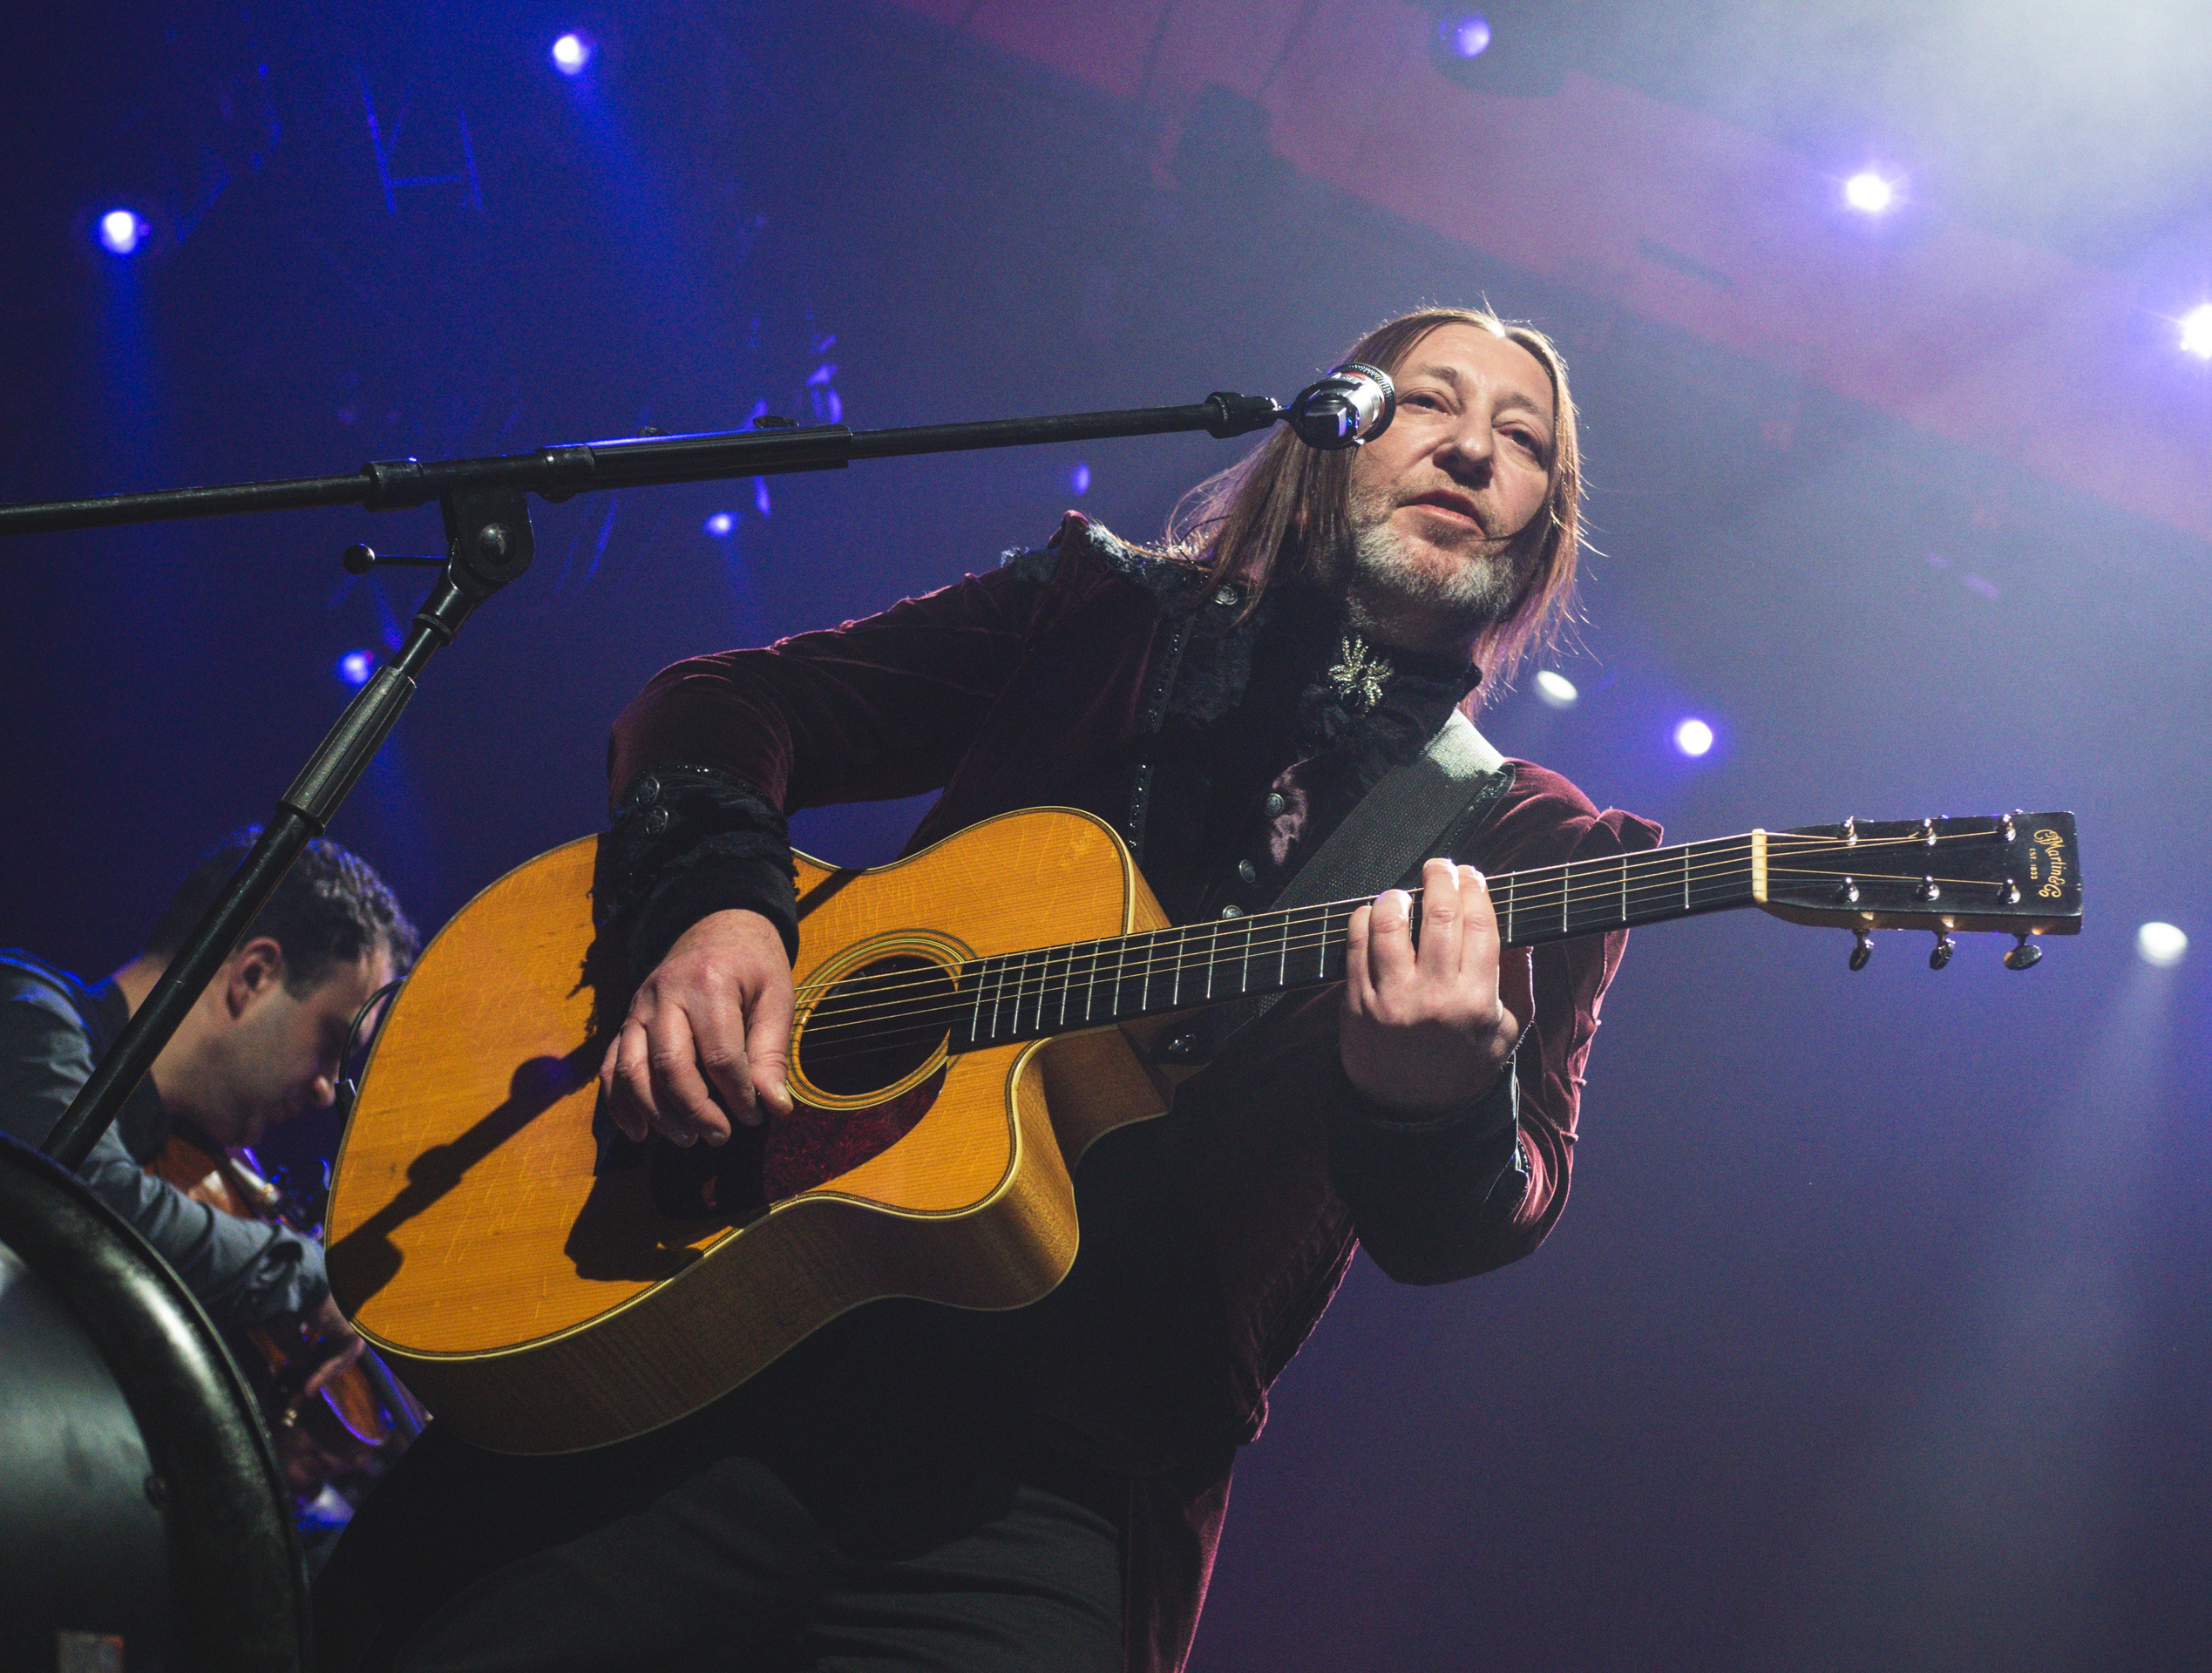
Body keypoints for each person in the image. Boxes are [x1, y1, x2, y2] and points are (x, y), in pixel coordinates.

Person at [314, 304, 1660, 1673]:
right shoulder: (1099, 613)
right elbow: (720, 708)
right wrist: (720, 910)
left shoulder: (1532, 847)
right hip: (714, 1338)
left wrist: (1435, 1105)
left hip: (1055, 1494)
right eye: (1431, 403)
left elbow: (1488, 1212)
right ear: (1333, 433)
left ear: (1541, 528)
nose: (1474, 451)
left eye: (1524, 441)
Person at [0, 830, 420, 1490]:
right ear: (254, 975)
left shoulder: (180, 1158)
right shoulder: (26, 1008)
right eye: (331, 1042)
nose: (322, 1088)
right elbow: (84, 1202)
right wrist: (315, 1274)